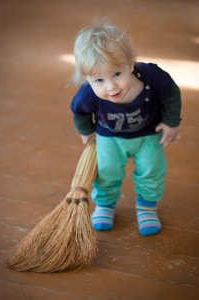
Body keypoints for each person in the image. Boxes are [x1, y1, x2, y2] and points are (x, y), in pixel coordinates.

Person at [70, 22, 181, 236]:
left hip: (149, 135)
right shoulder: (88, 93)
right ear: (87, 78)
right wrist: (86, 132)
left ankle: (147, 206)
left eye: (117, 74)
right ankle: (105, 204)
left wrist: (171, 122)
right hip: (109, 138)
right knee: (106, 173)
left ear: (130, 64)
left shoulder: (153, 76)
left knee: (152, 171)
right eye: (99, 80)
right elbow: (79, 112)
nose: (111, 87)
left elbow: (170, 94)